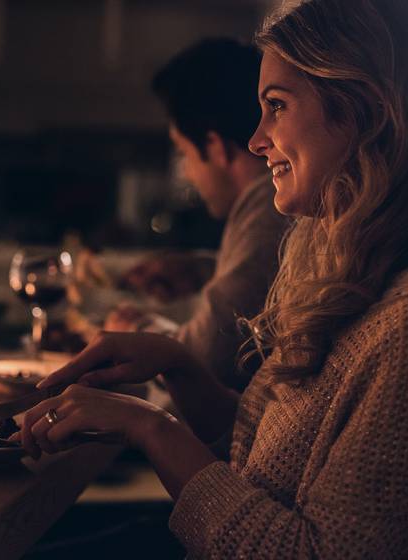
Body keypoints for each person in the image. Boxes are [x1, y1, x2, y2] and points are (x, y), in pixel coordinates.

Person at [15, 0, 408, 557]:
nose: (256, 140)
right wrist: (177, 368)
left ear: (367, 111)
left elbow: (314, 551)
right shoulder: (363, 283)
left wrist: (152, 428)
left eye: (276, 105)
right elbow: (270, 466)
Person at [105, 38, 287, 390]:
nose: (187, 172)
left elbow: (209, 360)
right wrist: (203, 269)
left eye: (183, 153)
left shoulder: (270, 204)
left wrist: (132, 332)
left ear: (215, 146)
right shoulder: (265, 206)